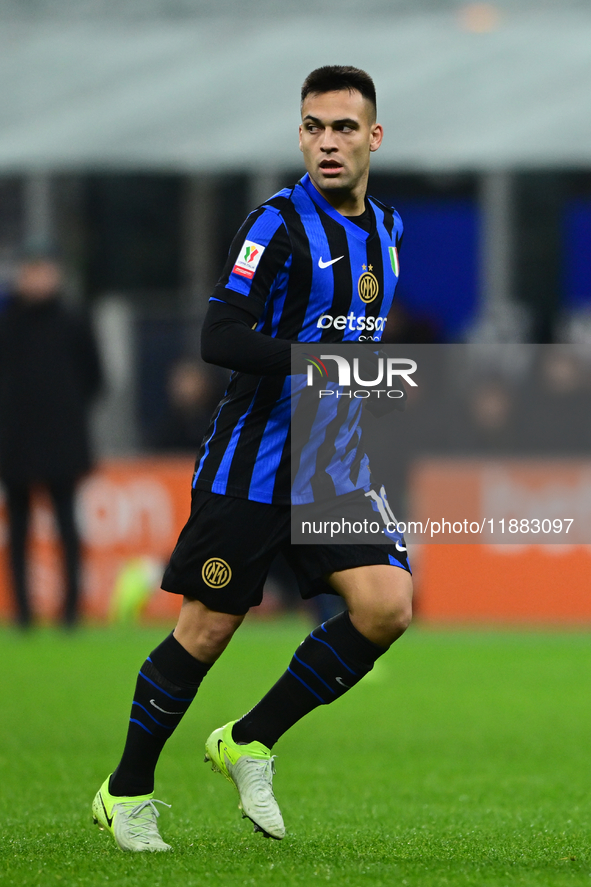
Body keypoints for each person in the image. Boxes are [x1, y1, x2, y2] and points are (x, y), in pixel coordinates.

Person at [92, 65, 413, 851]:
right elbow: (219, 338)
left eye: (342, 127)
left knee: (385, 606)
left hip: (334, 469)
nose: (326, 142)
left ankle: (250, 738)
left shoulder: (387, 232)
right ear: (299, 135)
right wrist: (316, 363)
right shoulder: (275, 224)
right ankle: (125, 791)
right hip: (252, 466)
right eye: (312, 126)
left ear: (373, 137)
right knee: (203, 634)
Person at [0, 247, 103, 627]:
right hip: (15, 442)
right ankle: (22, 613)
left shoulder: (74, 320)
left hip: (62, 442)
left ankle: (71, 611)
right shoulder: (7, 321)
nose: (36, 280)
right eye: (30, 272)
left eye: (42, 271)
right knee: (18, 530)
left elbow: (95, 377)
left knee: (67, 526)